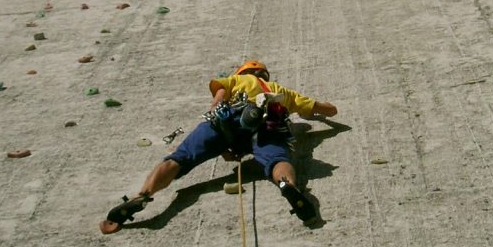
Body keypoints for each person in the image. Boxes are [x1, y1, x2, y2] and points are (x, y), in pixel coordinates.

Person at [101, 60, 338, 233]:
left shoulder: (239, 79)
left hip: (227, 121)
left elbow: (221, 94)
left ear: (245, 71)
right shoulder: (282, 92)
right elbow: (328, 109)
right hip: (268, 124)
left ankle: (144, 194)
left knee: (179, 158)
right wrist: (321, 114)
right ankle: (288, 185)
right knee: (277, 159)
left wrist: (216, 113)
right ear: (264, 75)